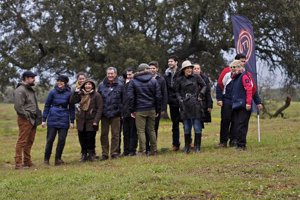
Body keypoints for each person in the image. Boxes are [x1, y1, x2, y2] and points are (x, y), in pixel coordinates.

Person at [128, 63, 162, 156]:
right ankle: (154, 150)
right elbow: (158, 96)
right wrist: (157, 109)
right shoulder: (154, 80)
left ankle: (142, 151)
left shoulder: (133, 81)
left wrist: (132, 110)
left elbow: (131, 97)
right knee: (151, 130)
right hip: (151, 108)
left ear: (138, 71)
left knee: (141, 131)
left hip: (140, 109)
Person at [42, 75, 75, 165]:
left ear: (65, 83)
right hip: (52, 118)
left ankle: (58, 159)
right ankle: (46, 159)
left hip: (64, 118)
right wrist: (44, 119)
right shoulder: (52, 92)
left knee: (61, 140)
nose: (59, 82)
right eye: (58, 81)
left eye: (62, 81)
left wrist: (72, 120)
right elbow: (47, 105)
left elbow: (72, 108)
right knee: (50, 140)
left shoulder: (69, 93)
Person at [175, 60, 206, 153]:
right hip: (185, 105)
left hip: (195, 104)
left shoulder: (196, 77)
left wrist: (201, 95)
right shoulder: (179, 79)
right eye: (187, 68)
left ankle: (197, 147)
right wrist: (180, 99)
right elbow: (176, 91)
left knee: (197, 126)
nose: (189, 69)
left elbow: (204, 85)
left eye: (190, 68)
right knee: (187, 127)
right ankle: (187, 147)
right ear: (183, 70)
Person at [231, 60, 263, 150]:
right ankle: (238, 143)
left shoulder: (244, 76)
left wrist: (249, 103)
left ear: (240, 67)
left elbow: (250, 90)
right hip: (236, 105)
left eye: (235, 67)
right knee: (237, 125)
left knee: (242, 125)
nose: (233, 69)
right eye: (232, 67)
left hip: (244, 105)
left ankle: (242, 145)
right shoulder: (234, 78)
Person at [216, 54, 246, 147]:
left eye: (244, 61)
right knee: (225, 120)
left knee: (235, 121)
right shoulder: (226, 71)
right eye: (242, 61)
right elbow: (220, 85)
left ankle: (233, 140)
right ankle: (223, 141)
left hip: (237, 101)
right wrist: (219, 98)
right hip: (227, 100)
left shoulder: (244, 73)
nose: (243, 63)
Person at [14, 71, 42, 169]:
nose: (34, 79)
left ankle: (27, 161)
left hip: (33, 119)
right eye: (32, 77)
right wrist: (26, 115)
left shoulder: (29, 89)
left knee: (30, 141)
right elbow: (18, 106)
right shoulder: (20, 90)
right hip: (25, 119)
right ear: (26, 78)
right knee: (22, 141)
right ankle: (18, 163)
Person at [70, 79, 103, 161]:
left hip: (91, 120)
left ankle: (91, 154)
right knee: (82, 138)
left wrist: (96, 121)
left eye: (89, 84)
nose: (88, 86)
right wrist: (76, 93)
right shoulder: (80, 94)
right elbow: (72, 102)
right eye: (86, 84)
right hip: (81, 120)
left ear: (92, 86)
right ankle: (84, 154)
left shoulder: (96, 95)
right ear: (83, 85)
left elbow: (100, 109)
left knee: (90, 138)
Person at [98, 67, 123, 160]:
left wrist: (121, 111)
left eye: (112, 74)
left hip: (116, 113)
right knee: (104, 134)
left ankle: (114, 153)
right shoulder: (101, 85)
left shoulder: (121, 85)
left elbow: (123, 99)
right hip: (104, 114)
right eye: (108, 74)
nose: (110, 75)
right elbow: (98, 100)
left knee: (115, 134)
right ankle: (104, 153)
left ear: (115, 74)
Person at [146, 61, 168, 153]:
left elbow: (164, 94)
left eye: (154, 68)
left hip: (157, 108)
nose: (152, 70)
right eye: (150, 68)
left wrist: (163, 108)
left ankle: (153, 147)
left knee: (154, 128)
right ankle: (146, 147)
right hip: (146, 106)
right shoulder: (145, 79)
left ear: (157, 69)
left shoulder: (161, 80)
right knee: (146, 128)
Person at [192, 63, 213, 147]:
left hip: (202, 103)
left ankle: (197, 143)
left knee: (199, 124)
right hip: (191, 103)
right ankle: (190, 142)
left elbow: (208, 92)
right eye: (195, 69)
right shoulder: (189, 78)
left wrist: (209, 105)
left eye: (198, 68)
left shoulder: (205, 78)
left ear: (200, 70)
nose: (196, 70)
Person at [164, 55, 181, 151]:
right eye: (169, 61)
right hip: (172, 102)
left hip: (181, 101)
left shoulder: (181, 73)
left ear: (176, 62)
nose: (170, 63)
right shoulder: (166, 74)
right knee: (175, 124)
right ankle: (175, 144)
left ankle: (189, 141)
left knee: (186, 122)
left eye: (171, 61)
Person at [121, 68, 138, 156]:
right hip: (125, 112)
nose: (129, 76)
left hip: (134, 112)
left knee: (133, 132)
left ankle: (132, 150)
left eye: (131, 74)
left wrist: (133, 110)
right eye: (128, 75)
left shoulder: (136, 84)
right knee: (126, 132)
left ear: (134, 74)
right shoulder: (123, 85)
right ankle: (126, 150)